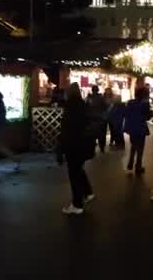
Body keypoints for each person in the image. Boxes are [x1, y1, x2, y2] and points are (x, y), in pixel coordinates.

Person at [58, 83, 95, 215]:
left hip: (73, 145)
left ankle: (77, 204)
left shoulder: (70, 107)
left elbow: (66, 130)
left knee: (74, 174)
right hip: (83, 144)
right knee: (78, 170)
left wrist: (61, 149)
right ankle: (88, 192)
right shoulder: (83, 105)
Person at [123, 88, 151, 175]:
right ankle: (138, 166)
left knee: (134, 145)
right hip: (140, 127)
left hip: (132, 128)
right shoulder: (145, 104)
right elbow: (147, 116)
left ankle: (130, 163)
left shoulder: (130, 102)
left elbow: (126, 113)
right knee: (140, 148)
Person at [86, 85, 108, 153]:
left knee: (92, 135)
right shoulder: (101, 98)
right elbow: (105, 107)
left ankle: (92, 148)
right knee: (101, 134)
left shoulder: (89, 98)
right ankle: (102, 148)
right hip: (100, 118)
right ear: (98, 90)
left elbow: (86, 107)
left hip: (91, 118)